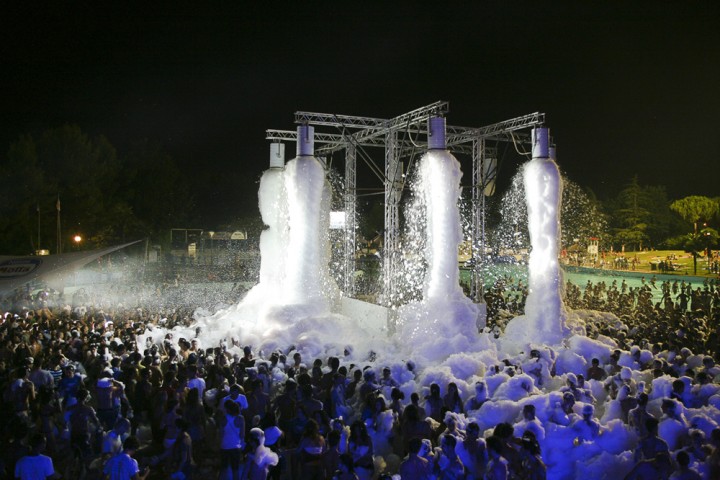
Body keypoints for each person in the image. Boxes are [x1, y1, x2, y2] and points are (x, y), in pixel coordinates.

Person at [219, 398, 246, 480]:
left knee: (223, 469)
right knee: (235, 470)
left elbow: (221, 434)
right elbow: (242, 435)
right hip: (236, 446)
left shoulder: (223, 419)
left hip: (224, 446)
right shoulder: (240, 419)